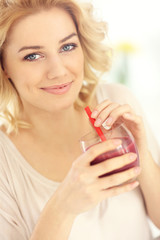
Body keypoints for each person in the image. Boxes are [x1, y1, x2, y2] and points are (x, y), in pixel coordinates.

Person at [0, 0, 160, 239]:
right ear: (4, 67)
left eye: (67, 47)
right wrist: (63, 208)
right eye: (33, 56)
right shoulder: (5, 161)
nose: (58, 71)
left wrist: (142, 155)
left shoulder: (117, 101)